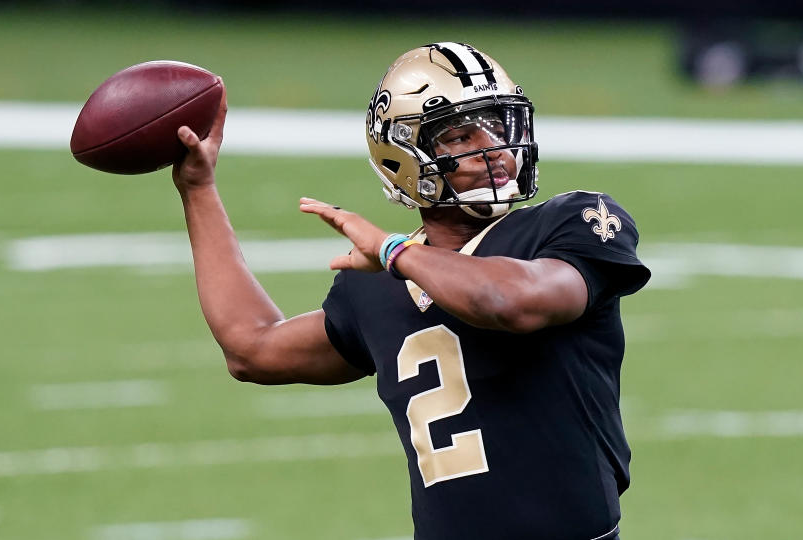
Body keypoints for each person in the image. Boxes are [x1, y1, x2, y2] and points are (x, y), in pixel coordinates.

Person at [173, 42, 651, 540]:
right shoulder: (378, 283)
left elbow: (510, 302)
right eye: (462, 135)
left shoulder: (571, 224)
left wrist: (394, 252)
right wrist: (198, 189)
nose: (498, 151)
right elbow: (251, 349)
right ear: (404, 155)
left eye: (499, 126)